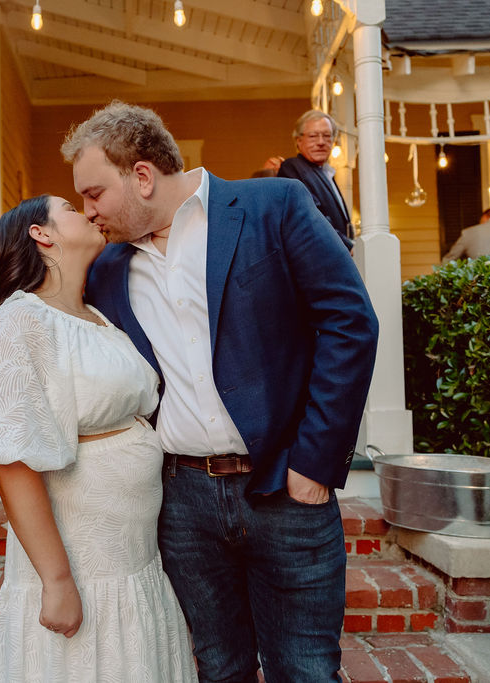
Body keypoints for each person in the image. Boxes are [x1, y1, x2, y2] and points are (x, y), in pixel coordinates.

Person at [64, 101, 379, 682]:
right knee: (218, 669)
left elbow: (350, 322)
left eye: (93, 193)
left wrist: (315, 462)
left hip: (285, 485)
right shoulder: (107, 270)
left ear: (141, 175)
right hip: (182, 503)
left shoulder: (273, 206)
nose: (88, 211)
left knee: (306, 671)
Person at [0, 195, 197, 682]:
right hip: (84, 562)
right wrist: (58, 579)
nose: (88, 212)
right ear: (41, 234)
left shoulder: (98, 317)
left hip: (134, 555)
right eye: (70, 207)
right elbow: (11, 460)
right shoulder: (20, 322)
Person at [277, 110, 354, 249]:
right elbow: (312, 213)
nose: (321, 142)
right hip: (321, 252)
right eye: (313, 136)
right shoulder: (293, 167)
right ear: (298, 141)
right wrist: (345, 244)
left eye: (327, 136)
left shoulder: (325, 173)